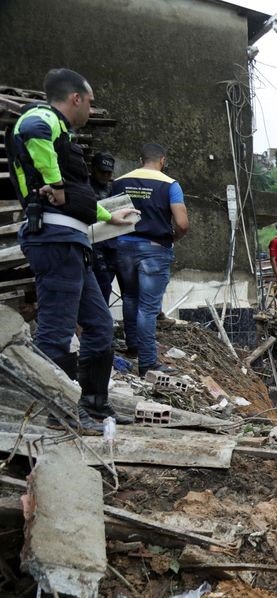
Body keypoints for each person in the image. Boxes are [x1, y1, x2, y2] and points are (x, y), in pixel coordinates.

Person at [9, 68, 136, 432]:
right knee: (56, 330)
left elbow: (79, 203)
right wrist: (55, 182)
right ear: (75, 98)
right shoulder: (42, 118)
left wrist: (112, 216)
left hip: (72, 243)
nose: (91, 109)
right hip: (53, 240)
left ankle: (95, 405)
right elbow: (32, 133)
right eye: (90, 102)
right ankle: (60, 412)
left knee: (98, 326)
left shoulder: (63, 135)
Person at [109, 144, 189, 377]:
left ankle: (133, 346)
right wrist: (173, 237)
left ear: (140, 159)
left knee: (130, 297)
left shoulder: (120, 182)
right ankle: (147, 362)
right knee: (148, 307)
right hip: (154, 249)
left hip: (123, 246)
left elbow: (109, 216)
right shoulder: (170, 184)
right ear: (162, 160)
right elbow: (182, 224)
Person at [88, 151, 119, 308]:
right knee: (99, 284)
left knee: (106, 285)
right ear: (93, 169)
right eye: (102, 172)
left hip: (111, 243)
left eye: (108, 172)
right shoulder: (85, 186)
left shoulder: (113, 187)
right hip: (92, 242)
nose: (105, 176)